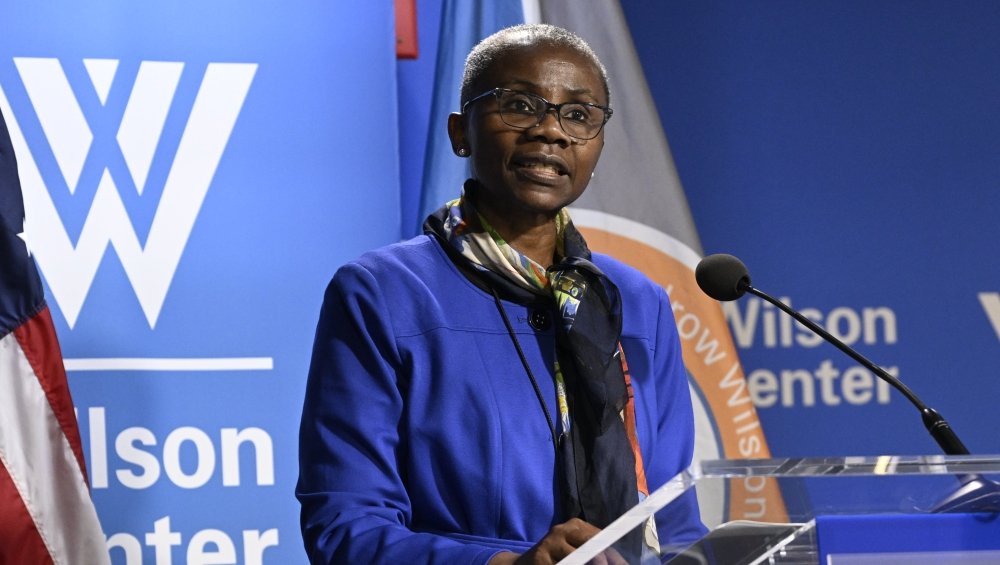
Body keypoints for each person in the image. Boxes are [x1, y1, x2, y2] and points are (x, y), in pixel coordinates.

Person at [296, 23, 706, 564]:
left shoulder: (636, 302)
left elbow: (675, 525)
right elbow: (345, 525)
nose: (551, 130)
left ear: (598, 144)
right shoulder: (383, 294)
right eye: (519, 105)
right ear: (460, 133)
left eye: (578, 114)